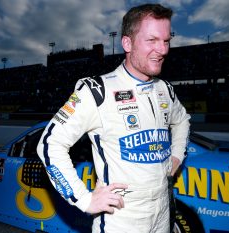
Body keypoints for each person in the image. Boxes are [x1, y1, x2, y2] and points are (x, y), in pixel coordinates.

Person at [37, 3, 190, 233]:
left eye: (166, 40)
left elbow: (183, 120)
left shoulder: (164, 90)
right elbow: (50, 144)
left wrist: (177, 156)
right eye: (152, 40)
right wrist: (84, 199)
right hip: (122, 217)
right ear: (127, 43)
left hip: (163, 209)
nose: (163, 49)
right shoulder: (96, 91)